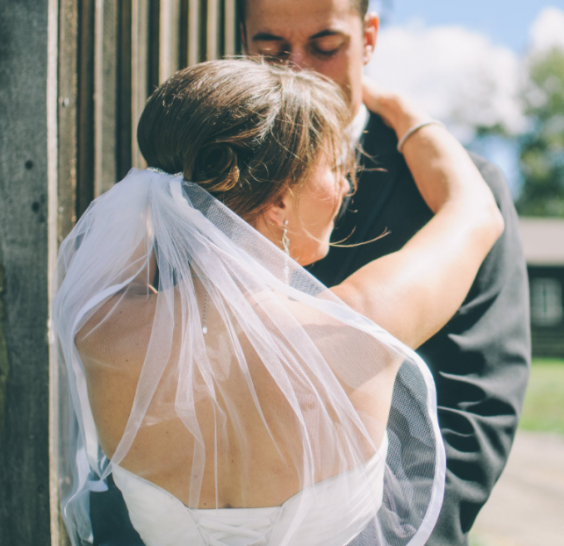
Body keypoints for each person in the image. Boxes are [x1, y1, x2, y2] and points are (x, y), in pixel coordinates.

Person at [54, 59, 503, 546]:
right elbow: (475, 211)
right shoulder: (359, 327)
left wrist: (168, 188)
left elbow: (138, 230)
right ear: (280, 201)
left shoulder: (101, 329)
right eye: (335, 167)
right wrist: (396, 106)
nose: (346, 185)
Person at [240, 1, 531, 544]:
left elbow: (477, 402)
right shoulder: (208, 176)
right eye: (272, 50)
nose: (299, 69)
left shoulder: (458, 187)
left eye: (326, 46)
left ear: (368, 37)